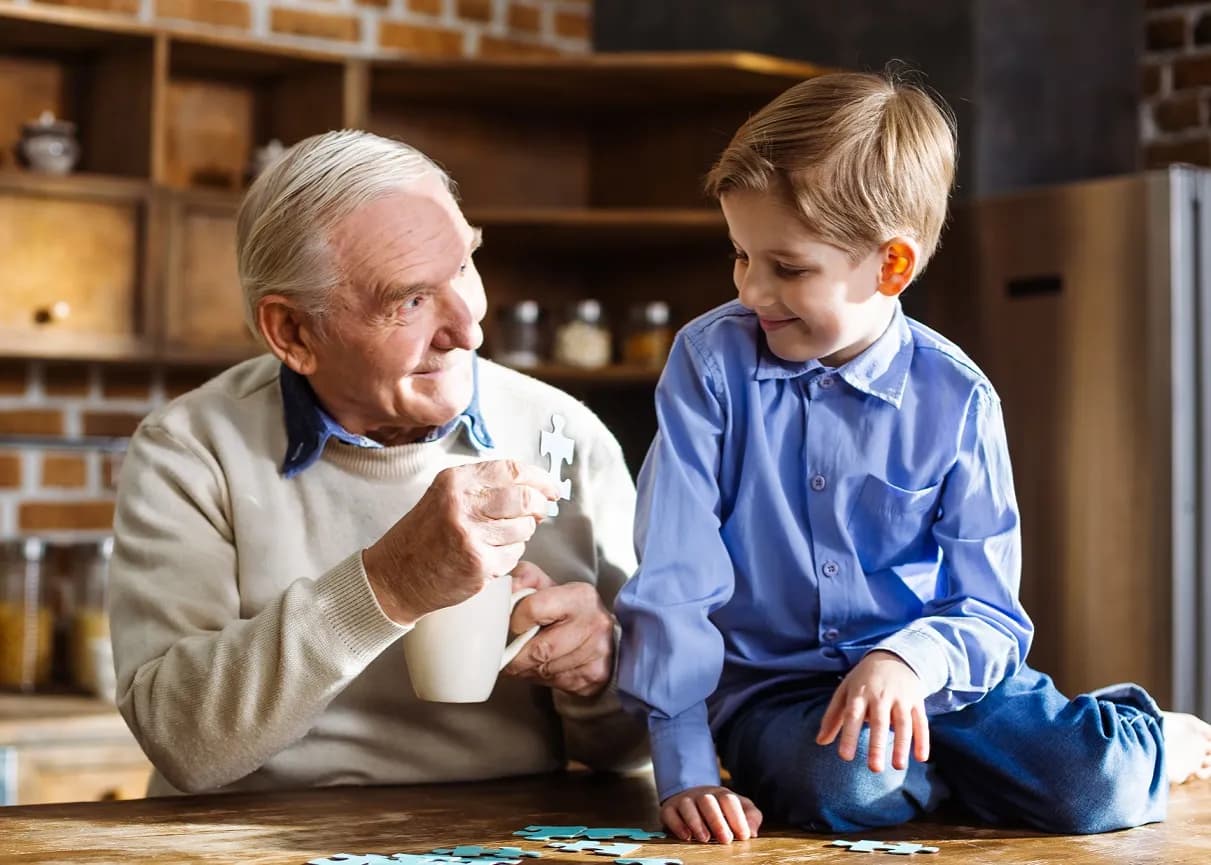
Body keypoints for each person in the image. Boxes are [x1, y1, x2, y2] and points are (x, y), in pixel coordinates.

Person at [614, 71, 1211, 843]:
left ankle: (1149, 734)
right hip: (779, 693)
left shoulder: (957, 398)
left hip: (943, 681)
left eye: (787, 267)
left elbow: (989, 610)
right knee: (842, 785)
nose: (752, 290)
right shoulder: (708, 364)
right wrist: (684, 763)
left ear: (890, 267)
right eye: (738, 254)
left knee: (1094, 789)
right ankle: (948, 773)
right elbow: (673, 578)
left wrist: (905, 660)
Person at [109, 130, 647, 796]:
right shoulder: (189, 449)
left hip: (498, 837)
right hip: (251, 838)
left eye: (463, 269)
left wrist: (601, 672)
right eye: (411, 300)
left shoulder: (563, 431)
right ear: (294, 333)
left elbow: (628, 752)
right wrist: (389, 583)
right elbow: (182, 741)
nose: (469, 330)